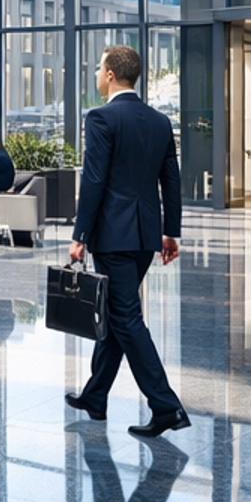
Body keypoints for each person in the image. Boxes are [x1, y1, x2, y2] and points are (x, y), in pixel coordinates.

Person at [67, 44, 190, 439]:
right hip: (144, 237)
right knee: (117, 312)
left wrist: (79, 234)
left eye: (100, 68)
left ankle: (166, 406)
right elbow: (171, 179)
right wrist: (171, 231)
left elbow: (94, 179)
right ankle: (95, 395)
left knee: (125, 318)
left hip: (113, 236)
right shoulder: (157, 121)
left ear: (110, 75)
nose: (97, 74)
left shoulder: (101, 117)